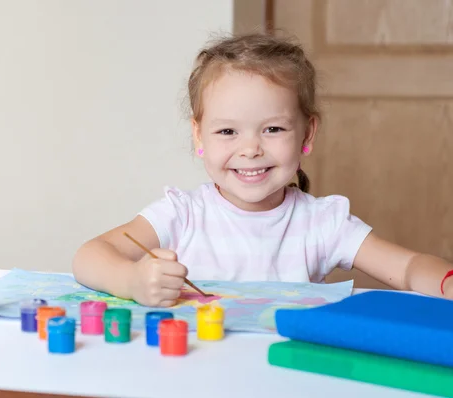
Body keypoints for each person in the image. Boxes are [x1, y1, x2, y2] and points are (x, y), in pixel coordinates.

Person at [72, 32, 453, 307]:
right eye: (227, 131)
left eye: (273, 129)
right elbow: (89, 256)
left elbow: (408, 268)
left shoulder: (322, 223)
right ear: (198, 136)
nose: (251, 149)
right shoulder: (182, 214)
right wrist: (132, 281)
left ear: (308, 133)